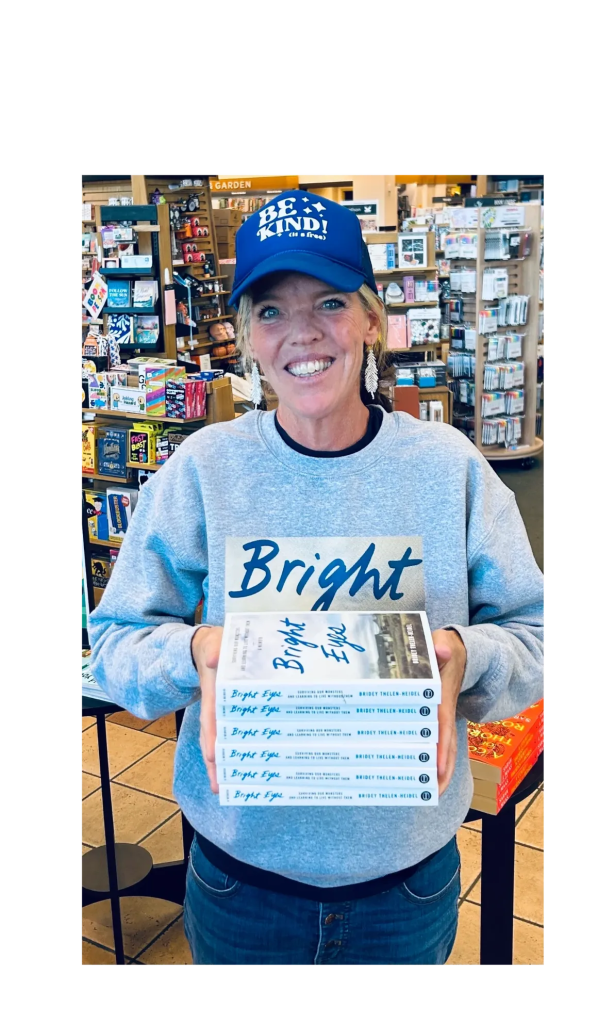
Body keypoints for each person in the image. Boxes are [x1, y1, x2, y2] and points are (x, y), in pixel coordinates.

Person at [90, 190, 544, 967]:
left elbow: (532, 633)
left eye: (329, 301)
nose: (301, 331)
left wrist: (469, 657)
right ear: (247, 337)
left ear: (371, 318)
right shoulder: (204, 470)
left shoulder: (449, 468)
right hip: (240, 886)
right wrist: (194, 652)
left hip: (404, 891)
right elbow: (115, 644)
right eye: (271, 310)